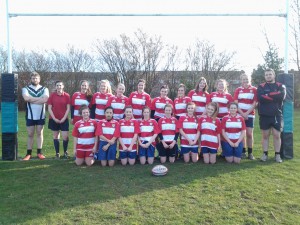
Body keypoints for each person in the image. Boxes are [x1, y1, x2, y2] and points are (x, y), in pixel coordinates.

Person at [257, 68, 286, 163]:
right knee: (265, 136)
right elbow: (261, 98)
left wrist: (268, 95)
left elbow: (281, 96)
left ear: (274, 75)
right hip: (264, 114)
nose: (268, 76)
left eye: (270, 74)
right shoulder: (261, 86)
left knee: (277, 135)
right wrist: (274, 96)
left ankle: (277, 155)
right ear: (264, 76)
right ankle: (265, 154)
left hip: (277, 114)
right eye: (266, 75)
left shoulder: (280, 85)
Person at [22, 72, 49, 160]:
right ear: (31, 79)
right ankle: (28, 153)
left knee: (39, 133)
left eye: (36, 78)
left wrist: (32, 100)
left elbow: (45, 99)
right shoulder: (25, 88)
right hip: (30, 115)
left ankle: (39, 152)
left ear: (39, 79)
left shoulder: (44, 89)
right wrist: (39, 99)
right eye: (33, 78)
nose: (35, 80)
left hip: (41, 115)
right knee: (30, 134)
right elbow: (26, 98)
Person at [234, 73, 257, 160]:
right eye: (243, 79)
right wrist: (242, 114)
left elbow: (255, 103)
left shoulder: (254, 89)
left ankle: (250, 152)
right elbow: (236, 103)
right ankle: (243, 151)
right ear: (241, 80)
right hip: (240, 115)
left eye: (247, 79)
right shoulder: (238, 90)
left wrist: (247, 113)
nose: (245, 81)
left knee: (249, 134)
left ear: (250, 79)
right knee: (242, 134)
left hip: (250, 115)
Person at [47, 81, 71, 159]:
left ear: (63, 86)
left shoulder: (67, 96)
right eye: (57, 85)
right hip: (54, 119)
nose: (59, 87)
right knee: (56, 136)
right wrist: (54, 118)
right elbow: (49, 108)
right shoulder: (52, 96)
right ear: (55, 87)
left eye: (60, 85)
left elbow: (68, 108)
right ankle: (57, 153)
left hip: (64, 119)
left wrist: (64, 118)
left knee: (65, 137)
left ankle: (65, 152)